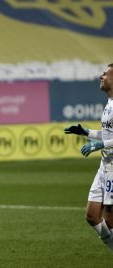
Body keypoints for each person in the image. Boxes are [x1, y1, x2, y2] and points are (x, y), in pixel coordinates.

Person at [64, 63, 113, 249]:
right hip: (104, 165)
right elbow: (109, 134)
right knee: (92, 216)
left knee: (110, 222)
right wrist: (86, 132)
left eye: (105, 74)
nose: (101, 76)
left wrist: (101, 144)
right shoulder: (109, 104)